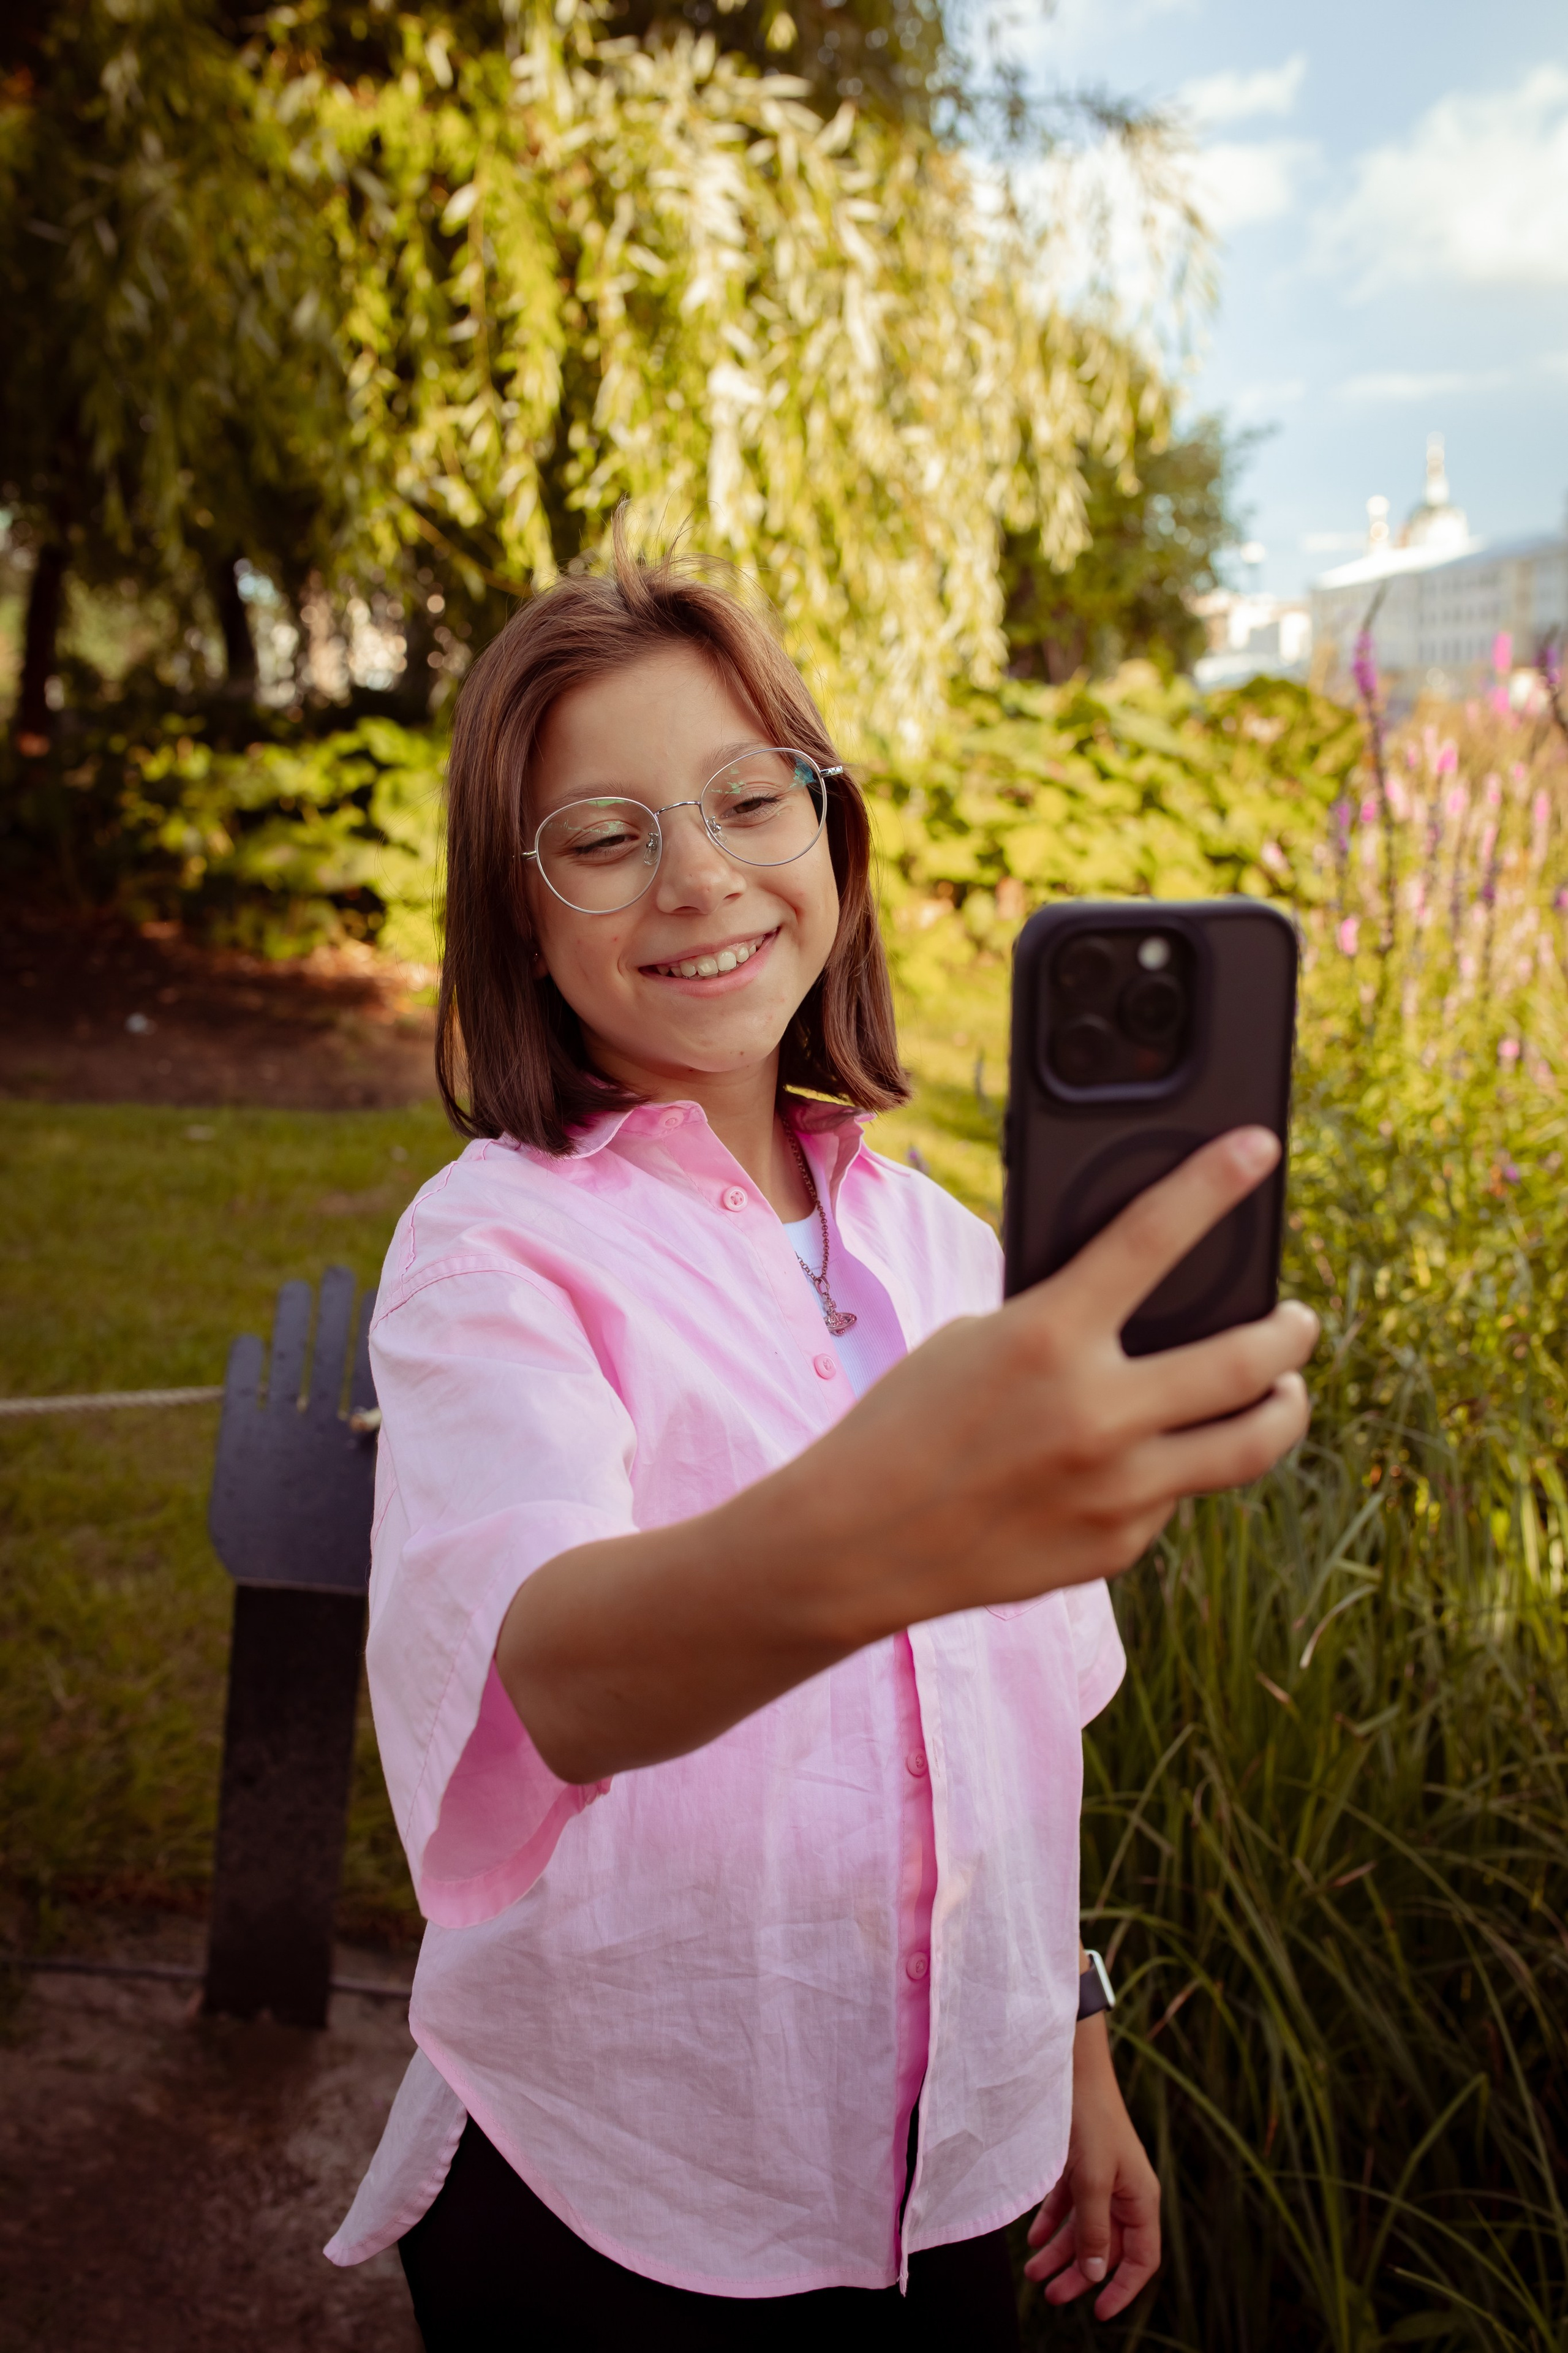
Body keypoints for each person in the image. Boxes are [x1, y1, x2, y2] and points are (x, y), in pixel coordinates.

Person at [324, 524, 1316, 2349]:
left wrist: (1074, 2036)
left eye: (748, 799)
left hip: (967, 2177)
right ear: (522, 919)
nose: (698, 878)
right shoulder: (495, 1249)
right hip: (627, 2187)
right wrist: (896, 1521)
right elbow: (550, 1671)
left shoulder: (957, 1259)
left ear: (830, 839)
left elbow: (1019, 1746)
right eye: (605, 838)